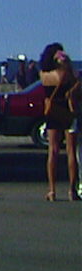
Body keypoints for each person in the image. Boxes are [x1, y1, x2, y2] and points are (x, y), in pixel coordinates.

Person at [39, 43, 80, 202]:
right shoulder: (68, 73)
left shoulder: (44, 74)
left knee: (53, 151)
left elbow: (48, 84)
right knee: (71, 152)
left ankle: (52, 190)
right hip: (68, 110)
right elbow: (71, 79)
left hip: (54, 111)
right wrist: (66, 63)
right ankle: (72, 190)